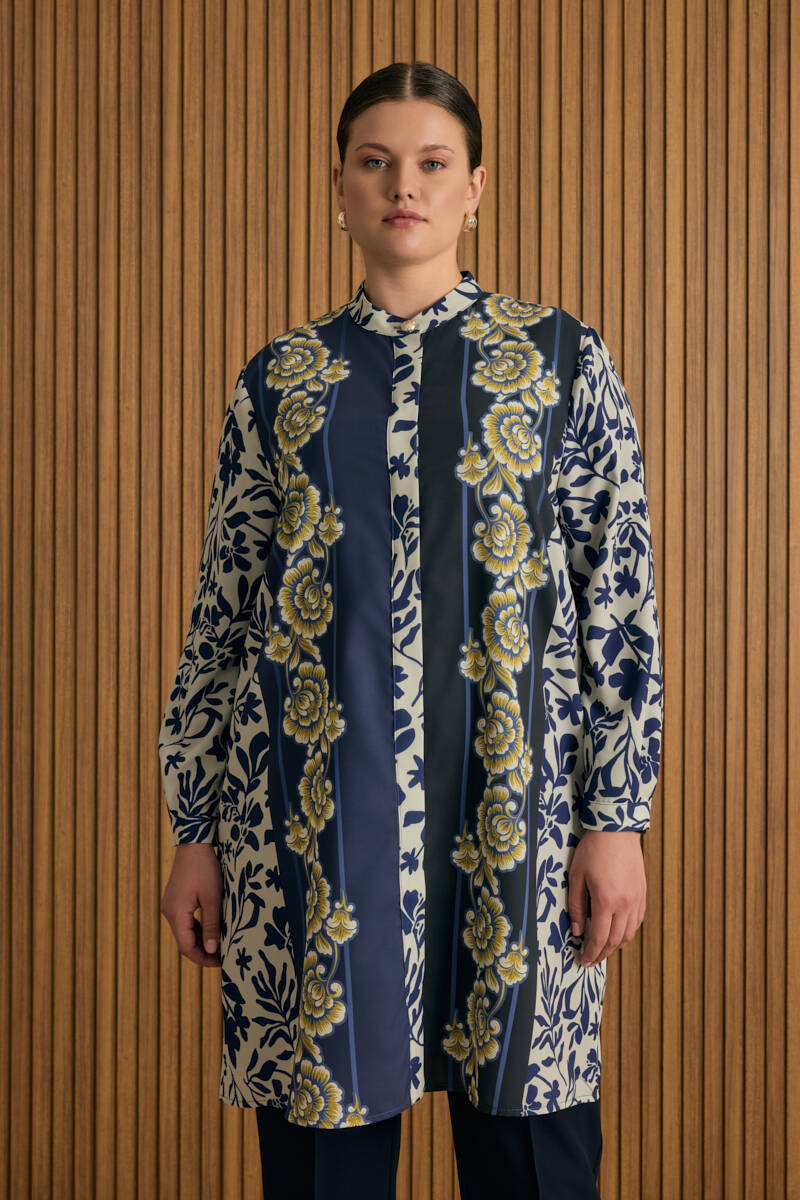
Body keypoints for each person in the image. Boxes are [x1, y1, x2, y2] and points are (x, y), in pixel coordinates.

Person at [158, 60, 663, 1200]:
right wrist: (196, 831)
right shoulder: (279, 382)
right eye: (375, 162)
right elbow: (222, 617)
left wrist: (615, 817)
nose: (403, 186)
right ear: (339, 186)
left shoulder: (559, 362)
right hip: (313, 831)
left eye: (432, 163)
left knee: (532, 1156)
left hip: (520, 820)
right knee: (325, 1161)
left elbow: (618, 601)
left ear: (474, 188)